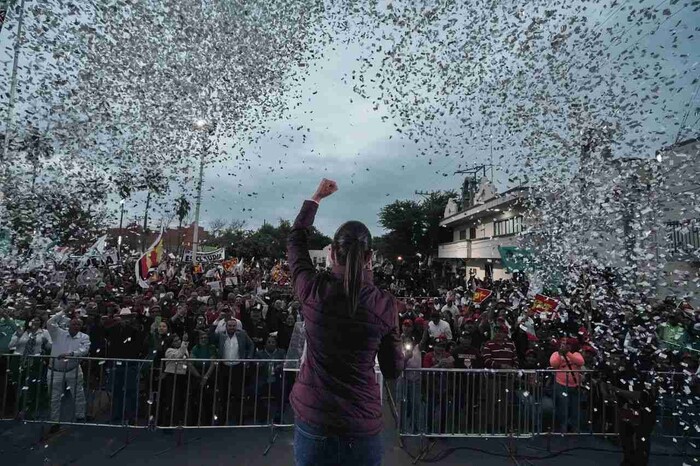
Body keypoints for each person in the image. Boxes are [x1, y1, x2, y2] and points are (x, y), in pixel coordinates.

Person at [287, 179, 404, 466]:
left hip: (315, 421)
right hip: (360, 428)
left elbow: (295, 242)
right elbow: (391, 369)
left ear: (331, 253)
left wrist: (316, 199)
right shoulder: (384, 304)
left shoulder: (313, 290)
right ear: (370, 257)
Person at [46, 310, 90, 433]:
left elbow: (84, 350)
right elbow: (50, 322)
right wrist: (63, 311)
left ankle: (80, 416)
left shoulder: (84, 337)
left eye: (78, 325)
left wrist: (71, 354)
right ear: (69, 325)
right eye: (74, 324)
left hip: (73, 369)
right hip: (55, 370)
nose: (76, 326)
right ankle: (54, 421)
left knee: (78, 394)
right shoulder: (58, 333)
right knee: (54, 397)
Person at [209, 317, 255, 425]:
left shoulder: (242, 334)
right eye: (230, 326)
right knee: (223, 394)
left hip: (237, 367)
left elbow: (251, 345)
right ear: (226, 326)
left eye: (234, 326)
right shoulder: (221, 335)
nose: (232, 328)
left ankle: (239, 419)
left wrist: (248, 358)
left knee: (238, 394)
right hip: (224, 367)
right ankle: (222, 419)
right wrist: (216, 321)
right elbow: (210, 337)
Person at [9, 316, 52, 418]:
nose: (34, 322)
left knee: (31, 386)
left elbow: (50, 346)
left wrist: (46, 343)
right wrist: (18, 336)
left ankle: (27, 409)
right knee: (17, 385)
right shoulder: (21, 331)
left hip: (35, 361)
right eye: (32, 320)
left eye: (37, 320)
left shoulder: (44, 332)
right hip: (19, 360)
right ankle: (15, 409)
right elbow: (10, 346)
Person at [549, 337, 584, 433]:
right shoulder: (556, 354)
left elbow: (580, 362)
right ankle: (562, 427)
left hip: (575, 386)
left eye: (568, 344)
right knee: (563, 407)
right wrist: (561, 355)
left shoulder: (576, 354)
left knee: (575, 408)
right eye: (564, 344)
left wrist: (567, 353)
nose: (565, 346)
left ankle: (574, 427)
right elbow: (554, 364)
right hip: (561, 385)